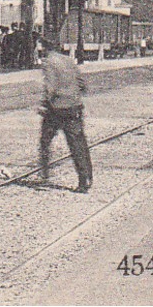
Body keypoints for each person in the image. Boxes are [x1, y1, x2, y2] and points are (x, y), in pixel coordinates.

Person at [37, 25, 93, 192]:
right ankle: (85, 179)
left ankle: (45, 175)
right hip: (74, 107)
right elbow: (82, 84)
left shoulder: (49, 62)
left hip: (57, 110)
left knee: (45, 141)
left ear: (45, 47)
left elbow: (51, 88)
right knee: (78, 144)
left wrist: (44, 103)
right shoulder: (68, 60)